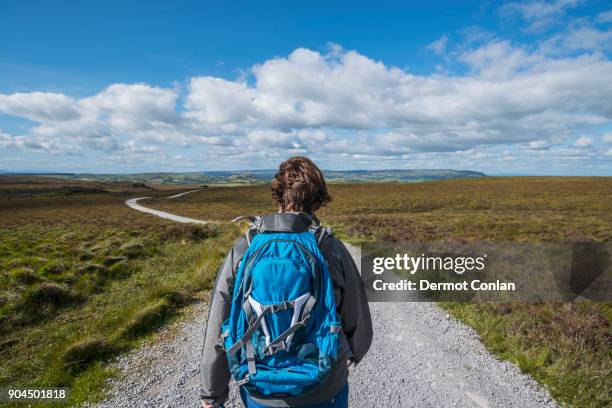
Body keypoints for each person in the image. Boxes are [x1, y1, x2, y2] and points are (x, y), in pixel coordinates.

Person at [200, 156, 373, 408]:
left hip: (259, 388)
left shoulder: (244, 249)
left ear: (279, 196)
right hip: (324, 387)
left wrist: (212, 394)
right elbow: (358, 319)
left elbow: (219, 322)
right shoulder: (330, 249)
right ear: (317, 198)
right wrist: (350, 354)